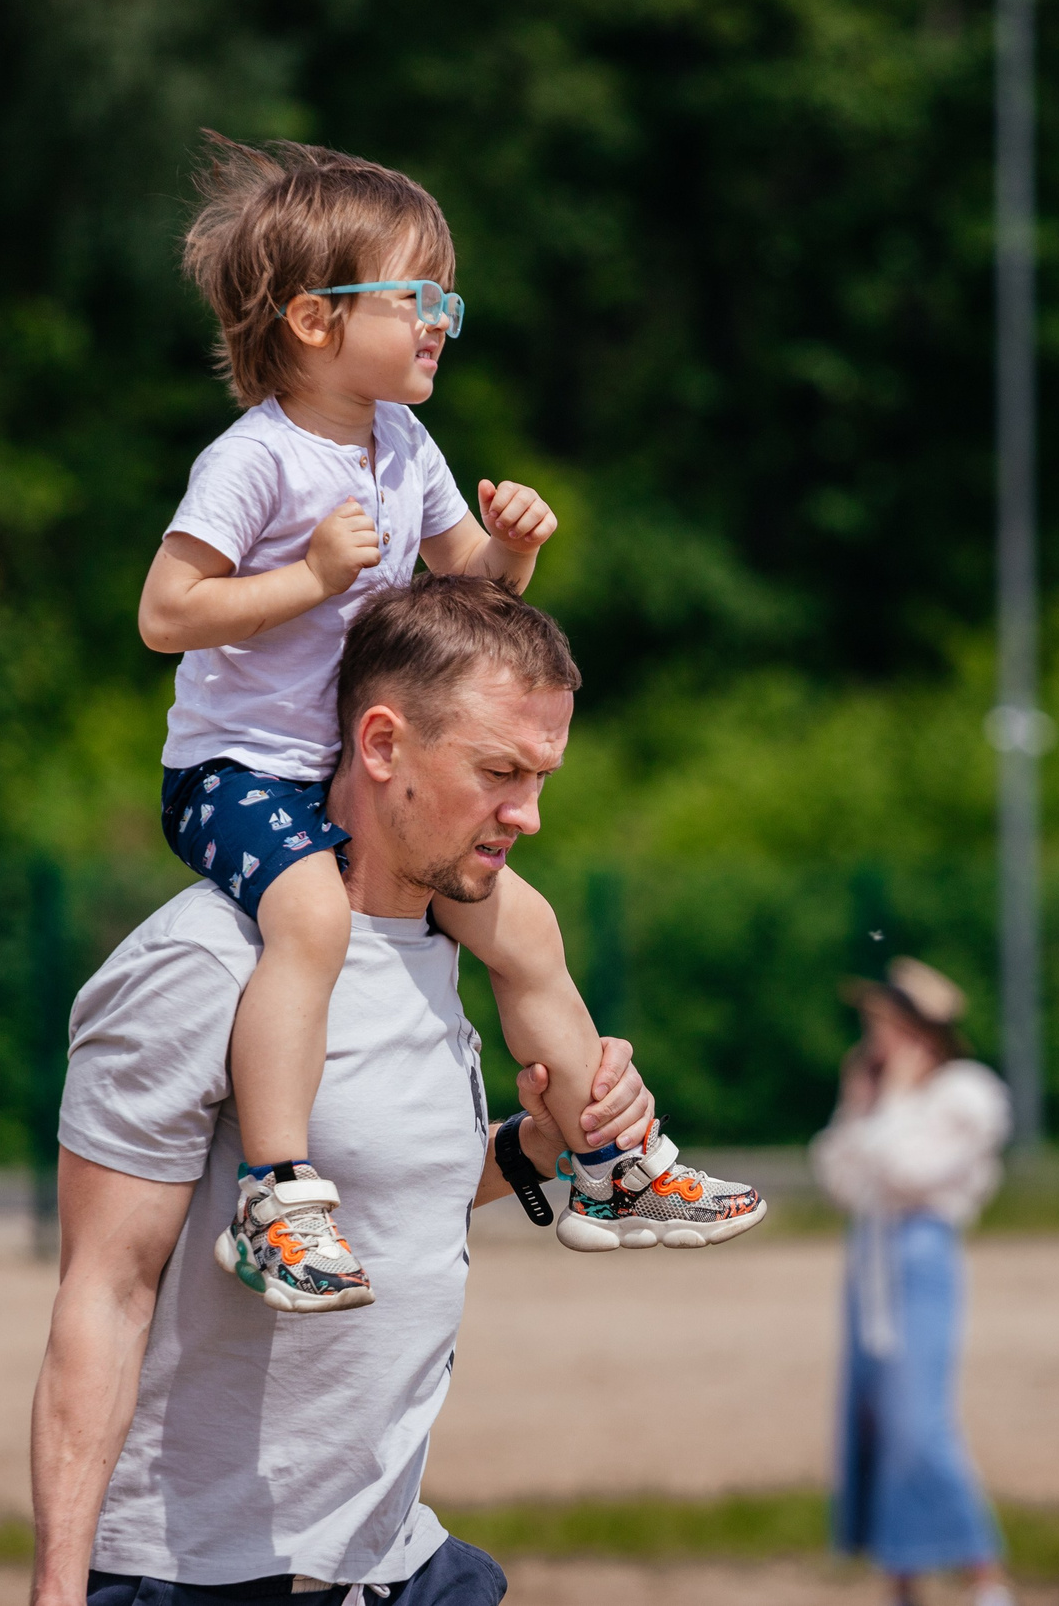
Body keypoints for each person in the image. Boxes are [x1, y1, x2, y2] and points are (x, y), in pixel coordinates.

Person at [136, 135, 759, 1311]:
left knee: (522, 929)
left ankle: (610, 1163)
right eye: (416, 297)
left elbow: (473, 591)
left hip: (347, 778)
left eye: (446, 301)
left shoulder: (402, 444)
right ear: (316, 319)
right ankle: (274, 1196)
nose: (440, 322)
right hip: (239, 776)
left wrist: (510, 548)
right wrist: (311, 578)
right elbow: (166, 613)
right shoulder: (254, 460)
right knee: (310, 921)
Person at [29, 577, 731, 1605]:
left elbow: (399, 1184)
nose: (527, 815)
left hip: (393, 1563)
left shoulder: (445, 936)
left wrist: (537, 1147)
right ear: (381, 744)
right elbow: (105, 1290)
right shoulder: (203, 965)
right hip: (196, 1577)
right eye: (497, 771)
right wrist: (58, 1588)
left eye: (541, 776)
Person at [811, 957, 1016, 1606]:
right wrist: (872, 1113)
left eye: (888, 1025)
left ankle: (983, 1571)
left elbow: (907, 1170)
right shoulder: (874, 1090)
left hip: (923, 1253)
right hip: (869, 1253)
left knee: (918, 1419)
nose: (876, 1039)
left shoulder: (967, 1093)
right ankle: (902, 1577)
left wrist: (886, 1108)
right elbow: (836, 1172)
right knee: (871, 1414)